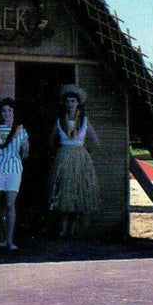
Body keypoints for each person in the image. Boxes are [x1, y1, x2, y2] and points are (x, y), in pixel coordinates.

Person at [47, 84, 100, 238]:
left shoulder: (84, 121)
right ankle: (63, 229)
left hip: (80, 159)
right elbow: (50, 141)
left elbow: (95, 141)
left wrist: (85, 154)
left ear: (78, 103)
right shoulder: (59, 121)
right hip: (64, 157)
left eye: (73, 101)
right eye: (68, 101)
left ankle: (73, 228)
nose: (70, 104)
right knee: (64, 193)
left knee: (78, 193)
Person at [0, 98, 29, 250]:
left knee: (10, 203)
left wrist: (25, 148)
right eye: (4, 111)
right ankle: (4, 237)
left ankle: (10, 239)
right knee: (0, 204)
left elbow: (25, 154)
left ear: (14, 112)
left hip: (14, 168)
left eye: (10, 110)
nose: (7, 113)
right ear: (1, 113)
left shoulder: (22, 131)